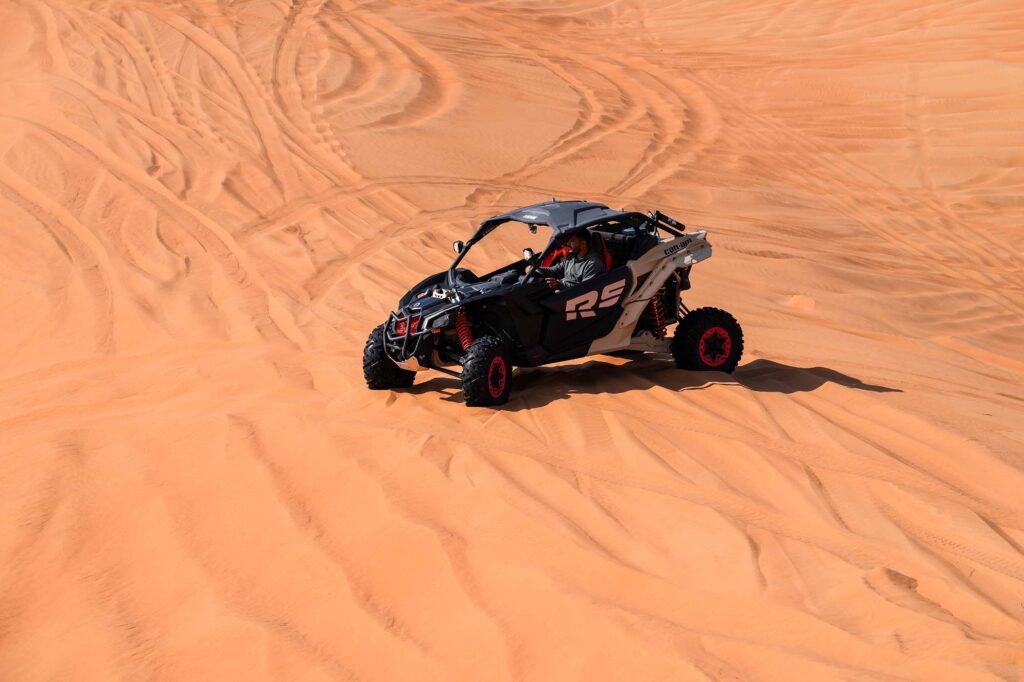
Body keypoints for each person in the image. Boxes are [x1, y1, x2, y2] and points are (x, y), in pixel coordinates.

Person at [533, 228, 605, 290]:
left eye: (572, 241)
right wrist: (535, 269)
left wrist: (559, 285)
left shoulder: (593, 264)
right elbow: (554, 271)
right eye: (568, 240)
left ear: (583, 244)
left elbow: (583, 290)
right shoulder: (571, 257)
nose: (568, 243)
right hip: (564, 290)